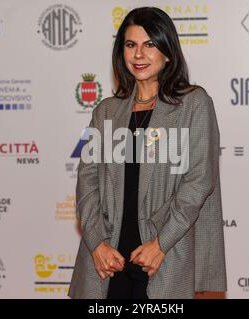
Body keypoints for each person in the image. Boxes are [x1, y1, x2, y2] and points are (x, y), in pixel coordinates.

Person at [68, 7, 226, 299]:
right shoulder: (106, 110)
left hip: (161, 257)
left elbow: (200, 180)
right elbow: (87, 180)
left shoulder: (193, 104)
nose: (139, 54)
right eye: (131, 45)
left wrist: (161, 244)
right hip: (107, 260)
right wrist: (96, 243)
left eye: (149, 44)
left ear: (167, 51)